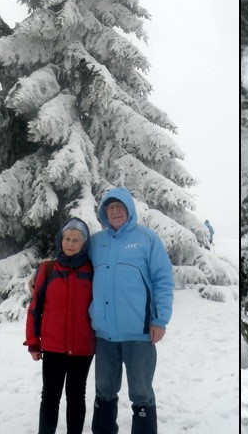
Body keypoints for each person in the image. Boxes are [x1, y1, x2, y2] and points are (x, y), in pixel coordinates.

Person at [90, 186, 174, 434]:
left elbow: (163, 280)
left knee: (141, 391)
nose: (115, 211)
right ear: (104, 213)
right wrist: (43, 271)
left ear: (129, 210)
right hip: (104, 335)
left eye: (120, 207)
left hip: (139, 332)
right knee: (104, 389)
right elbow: (71, 259)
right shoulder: (96, 242)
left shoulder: (147, 239)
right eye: (111, 207)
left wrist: (159, 319)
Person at [25, 218, 95, 434]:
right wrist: (33, 343)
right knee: (50, 396)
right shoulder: (47, 269)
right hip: (53, 346)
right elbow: (35, 309)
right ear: (60, 240)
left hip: (82, 347)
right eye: (67, 238)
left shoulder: (93, 270)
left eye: (76, 239)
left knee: (76, 396)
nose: (70, 244)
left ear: (84, 243)